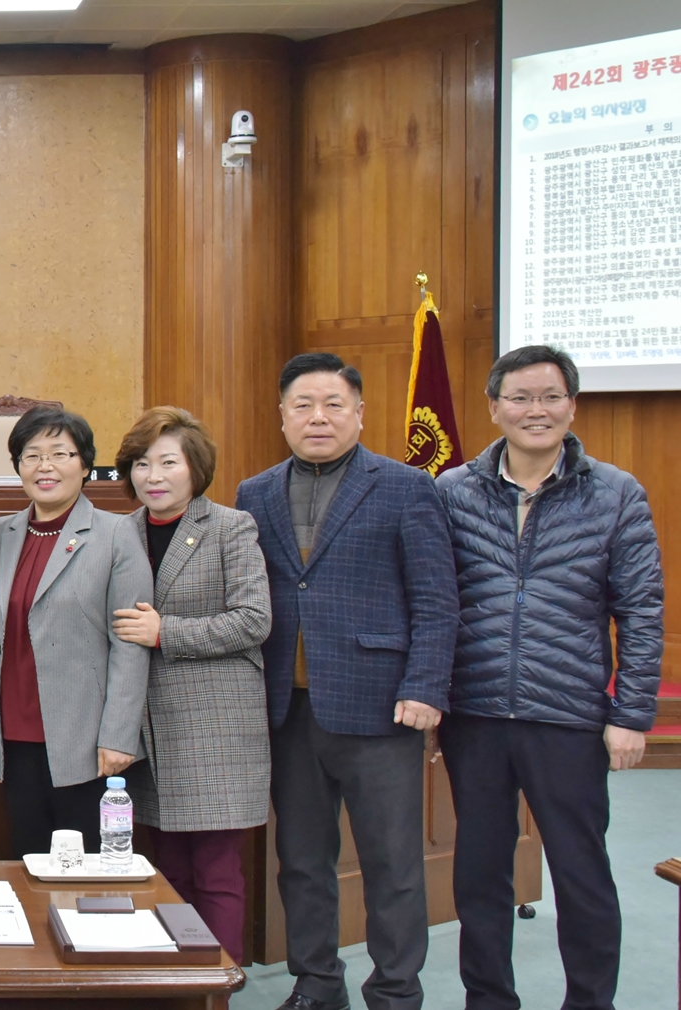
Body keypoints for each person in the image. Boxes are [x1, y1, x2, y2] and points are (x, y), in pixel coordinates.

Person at [436, 345, 662, 1010]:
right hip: (475, 712)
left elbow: (641, 612)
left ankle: (590, 1002)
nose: (536, 409)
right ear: (494, 407)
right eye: (521, 397)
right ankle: (489, 1000)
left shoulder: (616, 493)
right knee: (479, 874)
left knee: (581, 873)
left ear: (572, 405)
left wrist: (630, 714)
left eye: (551, 396)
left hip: (568, 716)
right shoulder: (451, 492)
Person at [236, 353, 457, 1010]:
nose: (318, 417)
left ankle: (394, 992)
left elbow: (437, 600)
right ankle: (316, 985)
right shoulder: (255, 492)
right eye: (303, 404)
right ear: (282, 416)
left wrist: (425, 687)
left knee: (391, 867)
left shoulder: (406, 487)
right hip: (289, 708)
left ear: (359, 413)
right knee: (301, 862)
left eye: (334, 403)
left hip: (382, 707)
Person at [109, 406, 271, 965]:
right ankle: (176, 982)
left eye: (168, 463)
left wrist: (164, 632)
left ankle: (216, 988)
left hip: (214, 730)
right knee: (166, 869)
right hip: (145, 730)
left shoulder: (230, 526)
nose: (153, 476)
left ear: (195, 468)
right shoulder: (119, 532)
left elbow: (254, 620)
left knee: (216, 872)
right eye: (142, 464)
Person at [0, 405, 151, 859]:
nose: (45, 467)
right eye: (31, 455)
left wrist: (119, 735)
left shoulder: (116, 534)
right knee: (29, 863)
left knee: (91, 874)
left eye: (60, 453)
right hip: (16, 736)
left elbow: (130, 643)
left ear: (84, 464)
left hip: (89, 742)